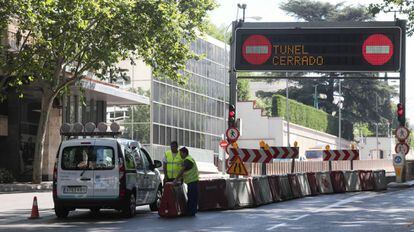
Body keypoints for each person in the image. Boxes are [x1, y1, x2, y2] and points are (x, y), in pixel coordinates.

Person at [173, 147, 199, 217]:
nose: (180, 155)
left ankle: (191, 212)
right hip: (193, 181)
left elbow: (182, 170)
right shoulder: (189, 159)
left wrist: (176, 180)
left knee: (191, 197)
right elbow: (186, 172)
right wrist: (181, 179)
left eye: (181, 153)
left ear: (184, 153)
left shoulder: (187, 160)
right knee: (192, 196)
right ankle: (192, 211)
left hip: (192, 181)